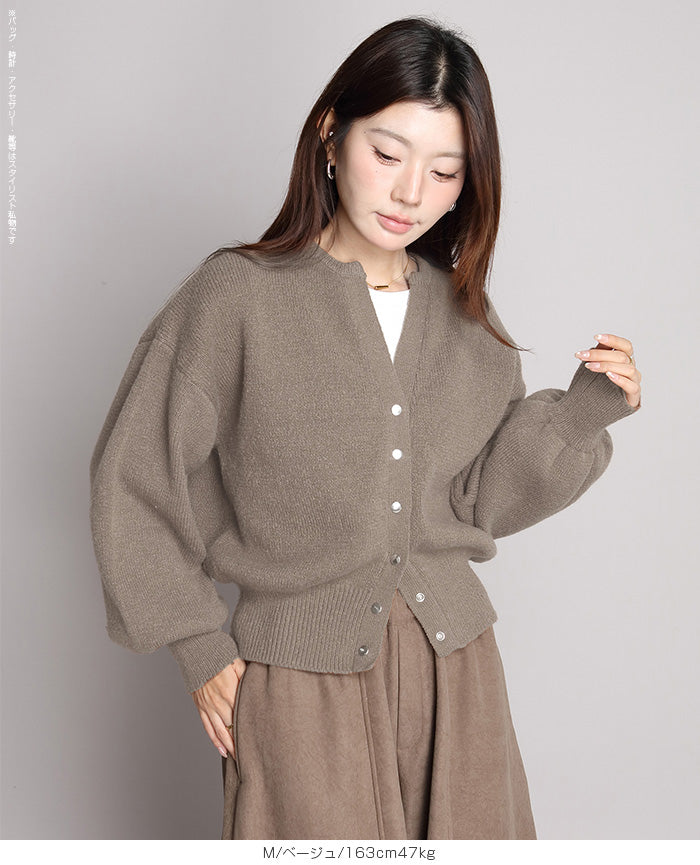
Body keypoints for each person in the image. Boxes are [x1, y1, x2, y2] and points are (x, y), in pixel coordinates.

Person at [89, 16, 642, 841]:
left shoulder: (464, 316)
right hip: (299, 678)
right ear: (331, 135)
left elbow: (478, 500)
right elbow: (135, 475)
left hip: (457, 673)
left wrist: (584, 411)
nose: (411, 192)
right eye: (388, 154)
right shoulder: (236, 296)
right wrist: (198, 645)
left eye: (444, 170)